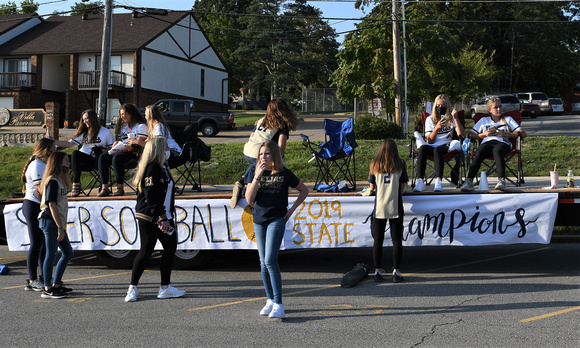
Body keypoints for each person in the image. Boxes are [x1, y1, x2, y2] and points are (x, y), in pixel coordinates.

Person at [245, 140, 309, 318]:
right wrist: (257, 175)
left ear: (274, 155)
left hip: (276, 219)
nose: (263, 157)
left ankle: (279, 303)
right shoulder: (253, 171)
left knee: (270, 260)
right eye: (261, 154)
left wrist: (291, 211)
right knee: (263, 262)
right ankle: (270, 300)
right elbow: (249, 199)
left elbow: (304, 190)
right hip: (259, 219)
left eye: (266, 154)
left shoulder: (284, 173)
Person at [124, 136, 185, 302]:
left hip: (163, 215)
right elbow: (152, 196)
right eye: (165, 147)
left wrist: (165, 216)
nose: (168, 150)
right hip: (151, 216)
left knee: (169, 248)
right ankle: (132, 288)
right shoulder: (153, 168)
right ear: (158, 150)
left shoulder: (162, 166)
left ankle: (165, 287)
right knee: (146, 251)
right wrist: (162, 217)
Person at [231, 98, 301, 208]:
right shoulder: (281, 124)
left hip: (248, 149)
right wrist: (279, 158)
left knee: (257, 166)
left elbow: (252, 135)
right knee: (260, 166)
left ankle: (242, 182)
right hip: (258, 153)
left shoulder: (261, 120)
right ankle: (244, 185)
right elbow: (281, 144)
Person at [461, 97, 527, 192]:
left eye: (500, 106)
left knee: (497, 150)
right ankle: (469, 181)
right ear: (490, 110)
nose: (499, 109)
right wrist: (484, 134)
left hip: (503, 143)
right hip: (487, 143)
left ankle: (501, 181)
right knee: (479, 151)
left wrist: (505, 134)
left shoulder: (508, 119)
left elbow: (523, 134)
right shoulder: (484, 120)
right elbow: (471, 135)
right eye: (496, 107)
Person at [368, 138, 408, 283]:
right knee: (396, 240)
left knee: (378, 240)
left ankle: (377, 271)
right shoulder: (400, 164)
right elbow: (403, 185)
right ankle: (396, 271)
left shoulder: (374, 164)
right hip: (395, 205)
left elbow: (371, 187)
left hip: (379, 207)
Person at [51, 109, 114, 197]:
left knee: (76, 154)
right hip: (79, 161)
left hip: (96, 161)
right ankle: (56, 188)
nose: (84, 121)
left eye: (86, 119)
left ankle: (76, 184)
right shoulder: (84, 133)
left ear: (93, 118)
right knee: (59, 158)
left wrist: (102, 150)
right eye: (83, 119)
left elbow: (112, 149)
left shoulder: (106, 132)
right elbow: (70, 144)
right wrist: (54, 142)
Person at [38, 151, 74, 299]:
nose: (69, 163)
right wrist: (60, 227)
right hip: (50, 221)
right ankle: (48, 287)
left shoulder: (59, 180)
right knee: (51, 254)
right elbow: (51, 204)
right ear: (59, 163)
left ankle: (57, 284)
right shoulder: (52, 181)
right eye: (66, 161)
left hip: (57, 222)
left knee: (68, 253)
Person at [21, 138, 55, 291]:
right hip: (33, 206)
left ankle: (44, 276)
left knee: (42, 244)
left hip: (38, 206)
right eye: (53, 149)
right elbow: (38, 191)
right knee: (35, 243)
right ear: (46, 150)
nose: (55, 151)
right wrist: (48, 204)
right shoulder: (37, 166)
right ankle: (32, 280)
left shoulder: (43, 164)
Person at [413, 94, 465, 192]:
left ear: (448, 106)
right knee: (423, 148)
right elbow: (430, 140)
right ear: (435, 107)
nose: (440, 108)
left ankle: (438, 181)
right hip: (432, 145)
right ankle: (420, 181)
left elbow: (462, 135)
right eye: (438, 106)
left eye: (443, 106)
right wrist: (436, 128)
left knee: (437, 150)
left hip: (446, 145)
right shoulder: (430, 119)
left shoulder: (452, 118)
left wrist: (456, 118)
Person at [97, 103, 148, 197]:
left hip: (135, 153)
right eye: (121, 114)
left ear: (131, 114)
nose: (122, 116)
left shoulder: (141, 126)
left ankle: (120, 188)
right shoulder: (123, 127)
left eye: (124, 114)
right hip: (121, 150)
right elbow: (121, 141)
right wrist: (116, 144)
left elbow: (138, 145)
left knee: (117, 157)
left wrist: (121, 150)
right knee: (103, 157)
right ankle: (105, 188)